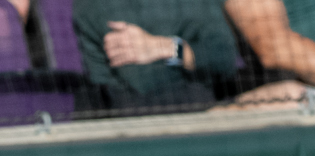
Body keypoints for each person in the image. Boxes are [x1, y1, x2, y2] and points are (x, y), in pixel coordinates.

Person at [72, 0, 239, 111]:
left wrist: (166, 47)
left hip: (199, 116)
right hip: (130, 122)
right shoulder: (93, 6)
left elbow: (224, 57)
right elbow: (138, 81)